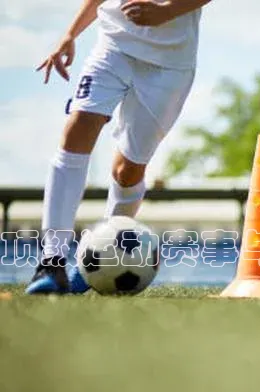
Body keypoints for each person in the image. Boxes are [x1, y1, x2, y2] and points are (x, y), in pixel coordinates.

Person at [27, 0, 212, 295]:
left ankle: (94, 267)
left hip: (171, 64)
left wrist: (167, 11)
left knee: (127, 170)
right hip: (113, 45)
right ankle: (52, 262)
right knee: (78, 128)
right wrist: (70, 34)